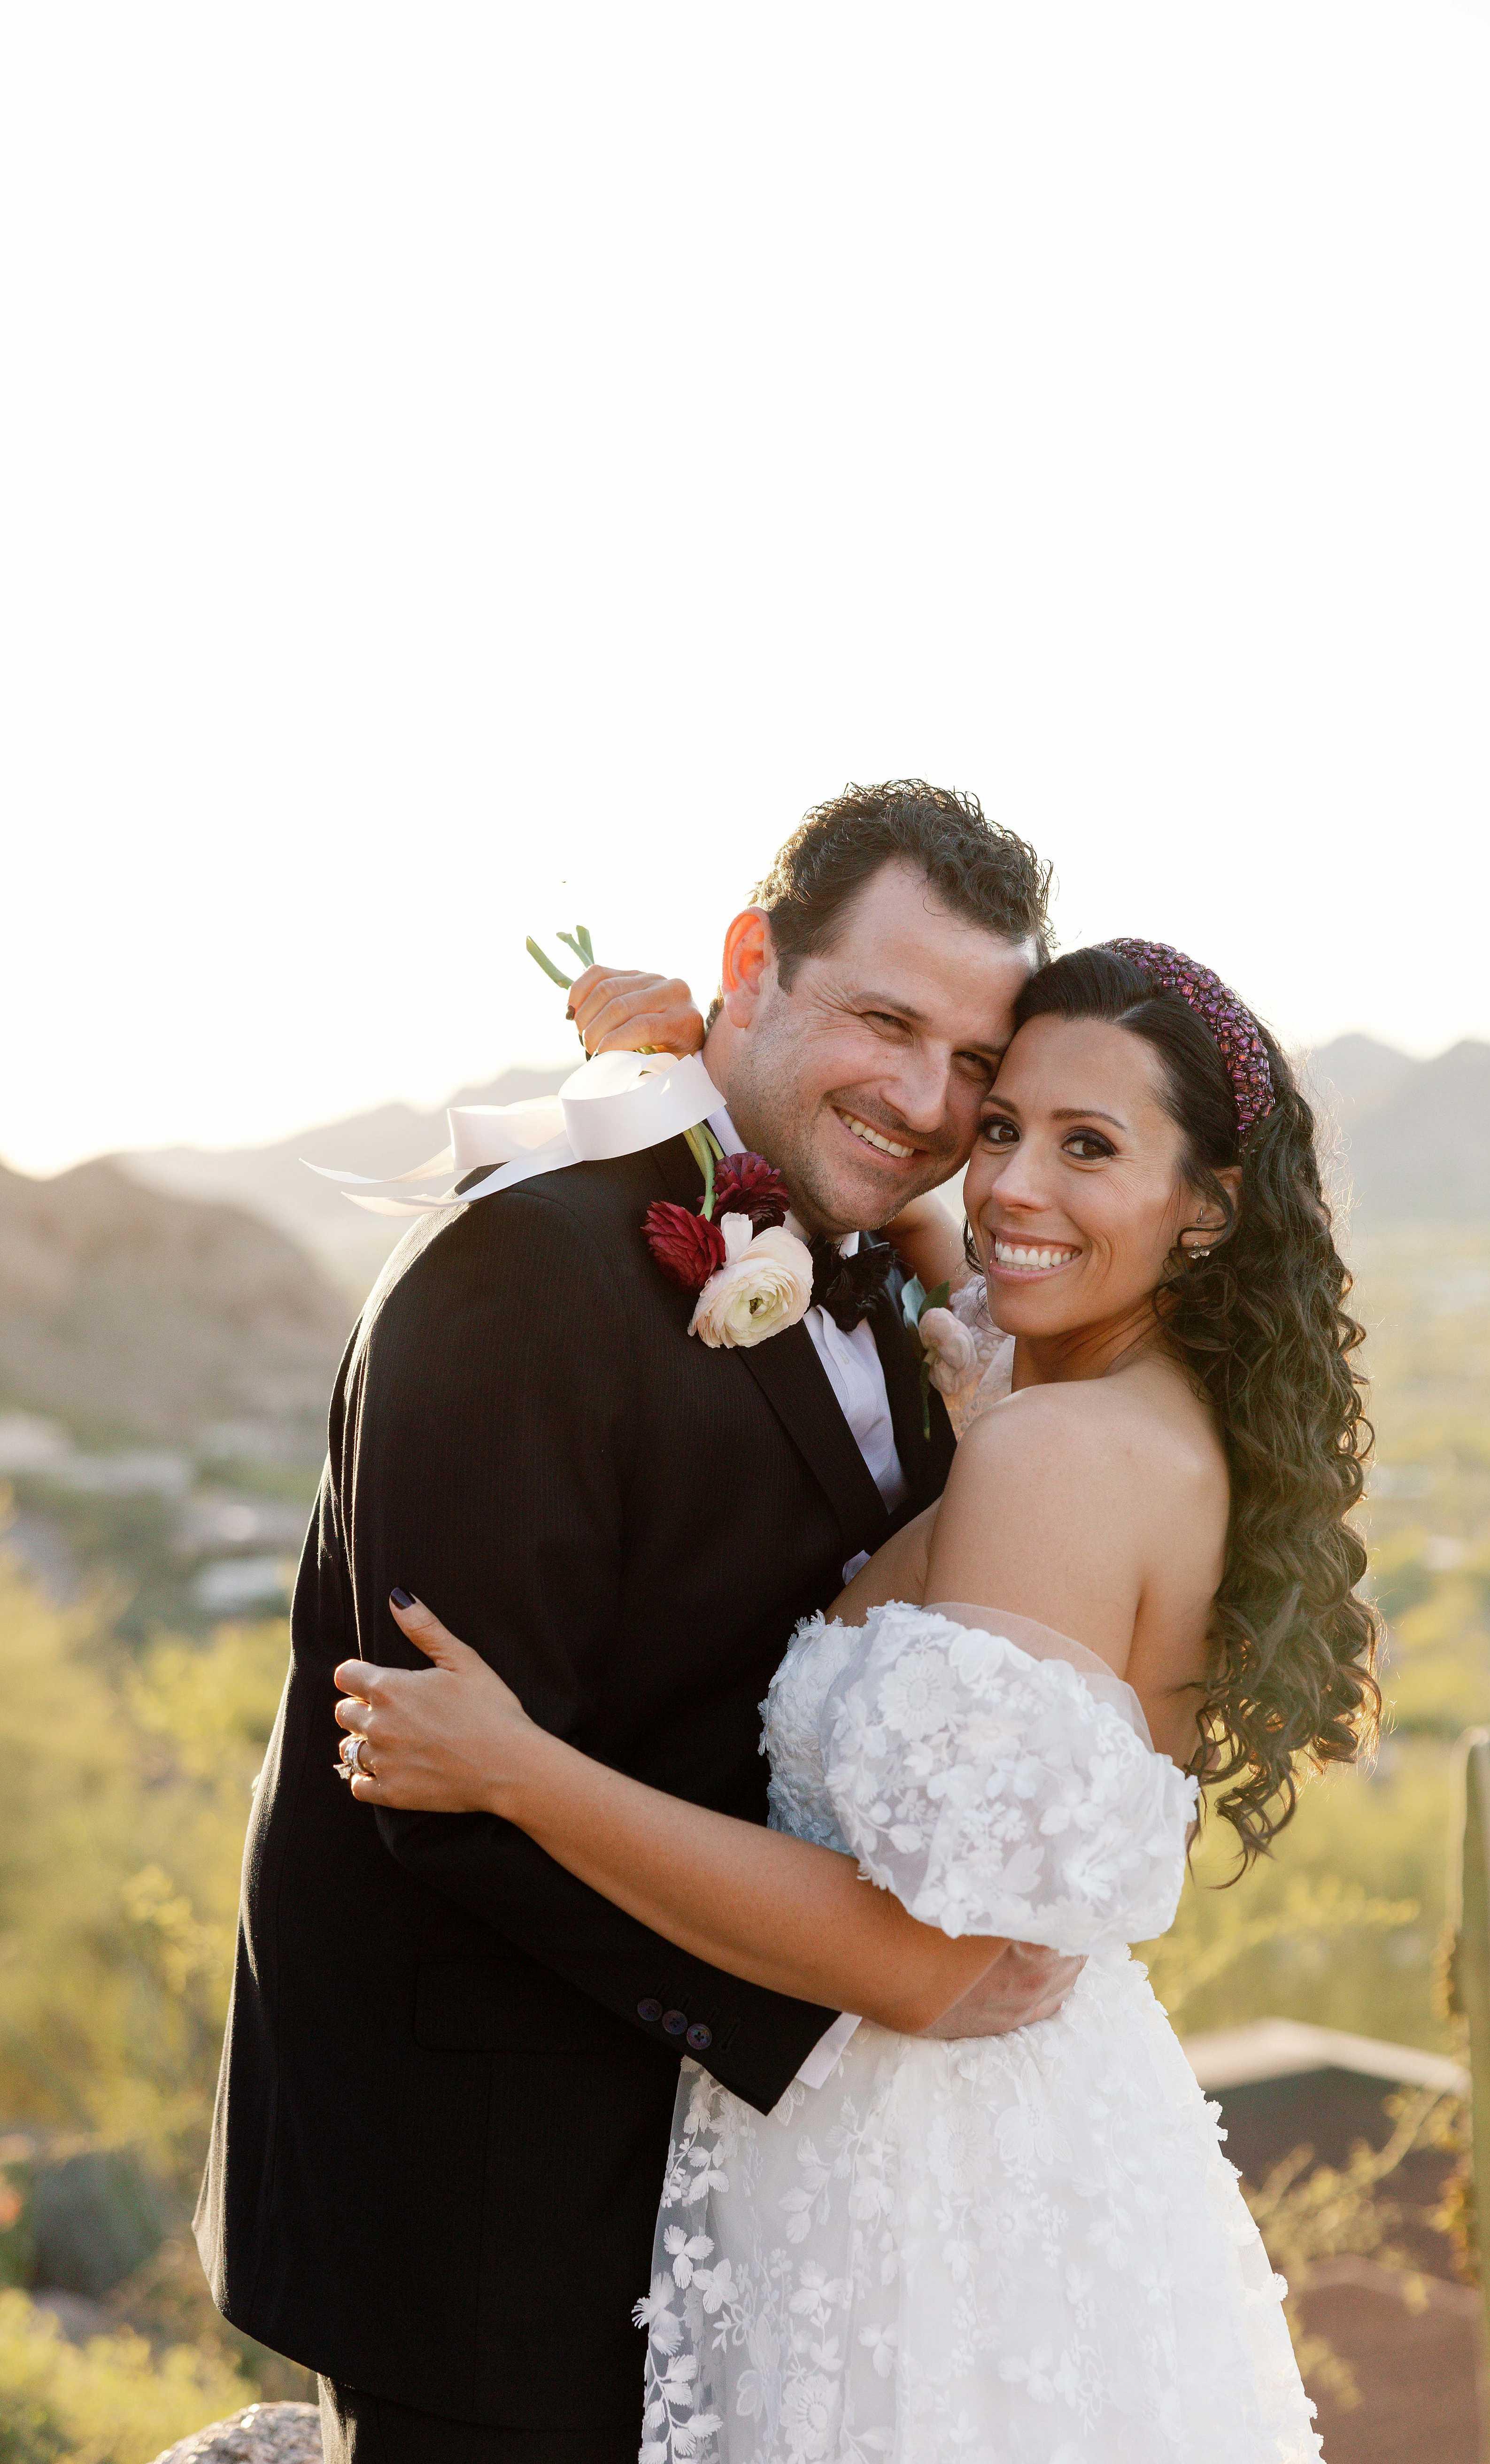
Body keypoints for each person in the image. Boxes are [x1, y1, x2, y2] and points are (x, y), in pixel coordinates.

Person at [332, 937, 1380, 2462]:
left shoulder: (1051, 1456)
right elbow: (960, 1246)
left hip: (924, 2202)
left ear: (1206, 1204)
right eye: (1001, 1126)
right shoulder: (1134, 1404)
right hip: (1024, 2149)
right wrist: (688, 1075)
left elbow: (915, 1965)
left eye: (1089, 1147)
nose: (1012, 1186)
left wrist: (517, 1771)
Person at [195, 781, 1075, 2464]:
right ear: (751, 965)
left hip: (736, 2195)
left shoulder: (875, 1262)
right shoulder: (519, 1271)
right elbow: (434, 1783)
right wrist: (862, 1990)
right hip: (487, 2208)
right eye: (885, 1022)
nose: (923, 1100)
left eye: (973, 1060)